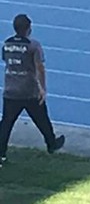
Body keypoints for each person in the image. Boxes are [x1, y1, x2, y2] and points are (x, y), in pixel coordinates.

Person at [0, 14, 65, 168]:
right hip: (29, 90)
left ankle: (1, 153)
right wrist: (43, 87)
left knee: (6, 123)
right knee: (42, 118)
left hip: (11, 90)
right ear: (29, 29)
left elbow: (7, 61)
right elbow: (39, 68)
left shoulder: (7, 44)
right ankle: (51, 143)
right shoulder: (33, 45)